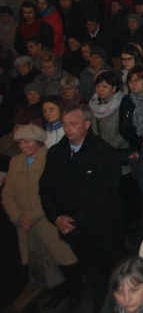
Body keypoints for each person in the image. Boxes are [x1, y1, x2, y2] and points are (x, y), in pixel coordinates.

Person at [39, 105, 124, 311]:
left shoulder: (103, 153)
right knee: (93, 277)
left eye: (74, 124)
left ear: (87, 124)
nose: (68, 129)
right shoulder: (57, 153)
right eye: (65, 124)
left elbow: (103, 196)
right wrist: (57, 217)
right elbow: (46, 188)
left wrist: (73, 220)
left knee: (111, 277)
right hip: (74, 231)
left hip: (101, 230)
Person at [2, 125, 78, 305]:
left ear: (38, 142)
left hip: (47, 222)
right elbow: (7, 194)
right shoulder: (15, 162)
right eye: (20, 142)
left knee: (65, 260)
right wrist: (18, 216)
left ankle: (75, 296)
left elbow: (54, 192)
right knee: (45, 262)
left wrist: (31, 216)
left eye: (27, 142)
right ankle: (57, 292)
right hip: (26, 225)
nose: (23, 146)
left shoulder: (51, 159)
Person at [89, 70, 141, 233]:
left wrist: (107, 148)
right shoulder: (93, 106)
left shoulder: (122, 104)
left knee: (127, 192)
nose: (101, 89)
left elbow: (125, 131)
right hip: (103, 158)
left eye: (105, 86)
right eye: (98, 85)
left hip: (120, 154)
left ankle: (132, 222)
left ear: (114, 88)